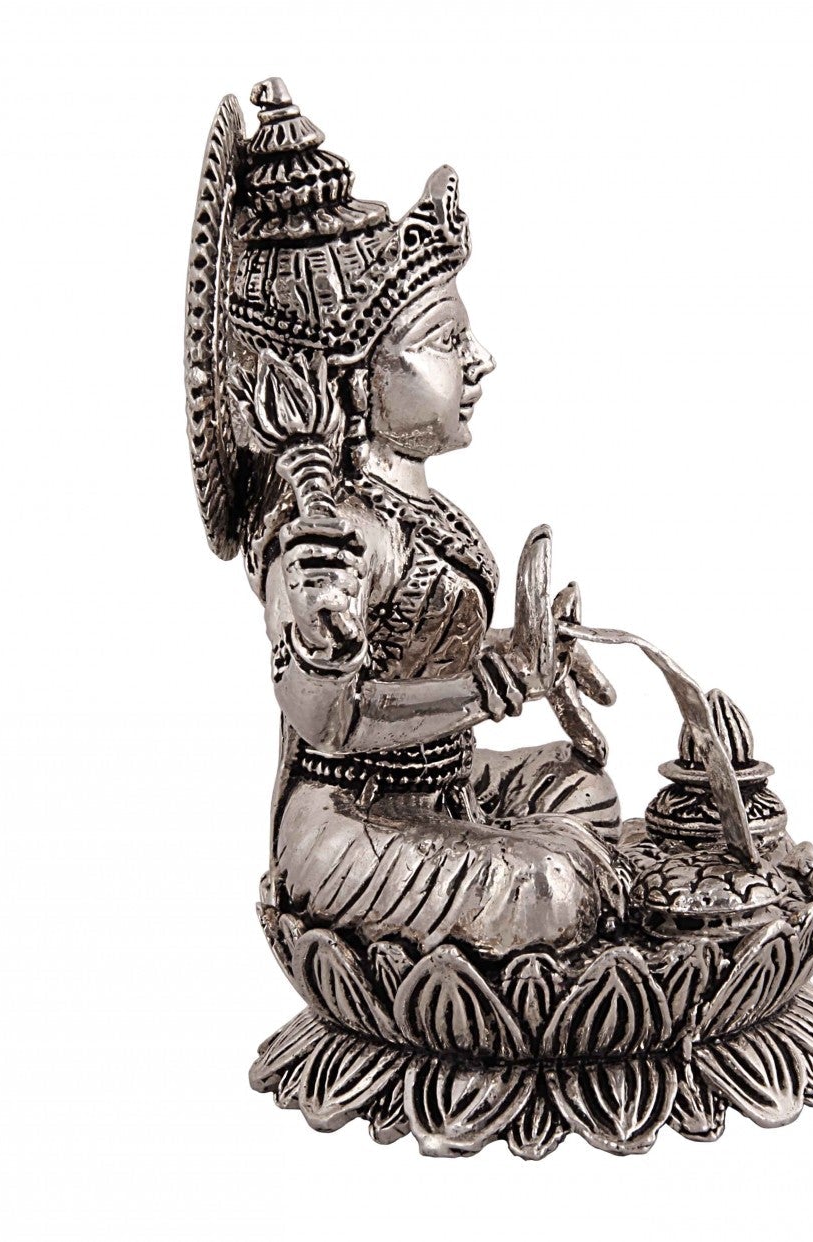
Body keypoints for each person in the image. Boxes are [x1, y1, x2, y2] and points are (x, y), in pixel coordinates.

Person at [205, 80, 626, 958]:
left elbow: (426, 646)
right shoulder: (326, 538)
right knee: (552, 886)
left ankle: (520, 904)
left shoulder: (422, 510)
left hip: (443, 782)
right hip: (348, 820)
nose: (480, 361)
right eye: (444, 342)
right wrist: (485, 689)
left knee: (582, 787)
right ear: (350, 379)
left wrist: (521, 654)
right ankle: (476, 960)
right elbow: (331, 720)